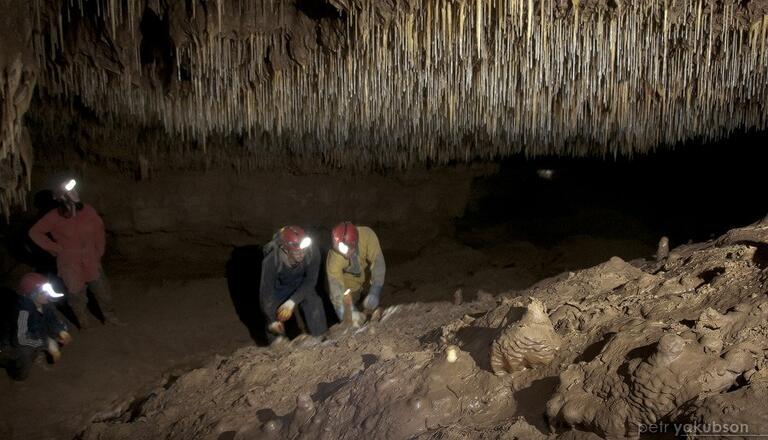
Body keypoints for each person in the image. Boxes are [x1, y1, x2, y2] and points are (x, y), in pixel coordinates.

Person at [28, 178, 118, 328]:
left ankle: (110, 317)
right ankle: (83, 322)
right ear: (62, 197)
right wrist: (54, 247)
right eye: (71, 192)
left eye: (75, 191)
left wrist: (99, 250)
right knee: (76, 294)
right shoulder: (54, 216)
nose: (75, 193)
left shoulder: (87, 210)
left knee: (103, 292)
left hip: (91, 258)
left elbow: (99, 230)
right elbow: (35, 232)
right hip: (69, 262)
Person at [259, 226, 328, 342]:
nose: (302, 254)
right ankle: (279, 352)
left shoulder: (312, 252)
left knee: (314, 301)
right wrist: (272, 320)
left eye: (303, 250)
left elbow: (311, 281)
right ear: (285, 249)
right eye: (296, 252)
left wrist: (292, 301)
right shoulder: (271, 261)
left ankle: (322, 339)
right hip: (278, 291)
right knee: (273, 326)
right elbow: (266, 294)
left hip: (300, 285)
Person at [0, 273, 72, 381]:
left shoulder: (44, 303)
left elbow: (52, 320)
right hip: (9, 340)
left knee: (63, 328)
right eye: (43, 293)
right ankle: (17, 372)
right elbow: (21, 339)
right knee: (25, 351)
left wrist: (61, 331)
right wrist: (47, 343)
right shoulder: (22, 312)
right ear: (32, 294)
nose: (47, 295)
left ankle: (38, 353)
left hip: (30, 332)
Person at [326, 222, 386, 325]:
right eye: (339, 250)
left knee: (375, 314)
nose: (344, 255)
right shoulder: (333, 259)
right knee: (351, 322)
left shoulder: (367, 235)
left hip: (366, 280)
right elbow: (337, 293)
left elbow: (378, 262)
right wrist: (349, 313)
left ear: (354, 243)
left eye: (345, 250)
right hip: (349, 289)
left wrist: (375, 289)